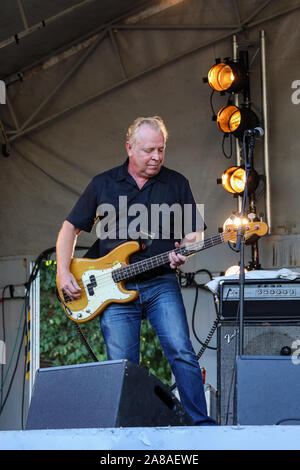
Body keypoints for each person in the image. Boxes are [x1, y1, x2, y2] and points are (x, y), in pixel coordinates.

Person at [56, 116, 216, 425]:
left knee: (181, 352)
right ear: (130, 148)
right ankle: (127, 432)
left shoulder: (176, 182)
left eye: (161, 149)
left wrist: (186, 249)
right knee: (122, 365)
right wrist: (64, 272)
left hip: (160, 283)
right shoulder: (103, 183)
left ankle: (201, 426)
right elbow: (69, 229)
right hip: (112, 289)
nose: (156, 157)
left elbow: (195, 233)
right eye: (148, 150)